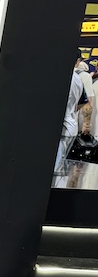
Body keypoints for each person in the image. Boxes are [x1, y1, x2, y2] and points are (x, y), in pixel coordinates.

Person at [54, 56, 87, 188]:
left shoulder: (61, 76)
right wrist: (72, 111)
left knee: (57, 171)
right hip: (70, 125)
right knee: (61, 171)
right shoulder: (77, 79)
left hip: (63, 127)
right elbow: (82, 102)